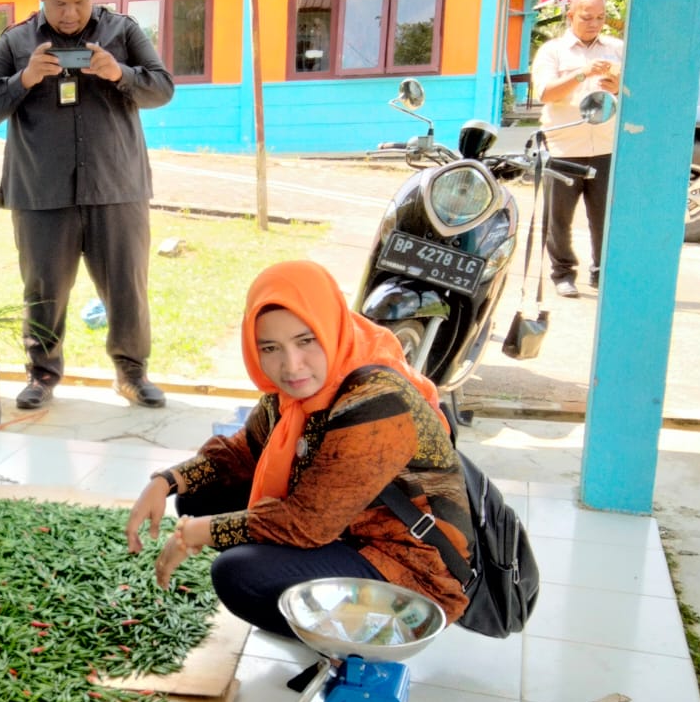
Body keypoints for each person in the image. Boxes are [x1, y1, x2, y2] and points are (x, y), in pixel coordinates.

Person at [125, 261, 472, 677]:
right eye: (269, 348)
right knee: (200, 493)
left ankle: (344, 640)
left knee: (239, 575)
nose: (291, 366)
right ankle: (315, 605)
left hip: (409, 565)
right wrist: (164, 482)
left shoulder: (376, 400)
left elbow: (307, 525)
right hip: (345, 526)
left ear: (331, 328)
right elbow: (240, 452)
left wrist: (199, 532)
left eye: (306, 340)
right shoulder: (292, 395)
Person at [0, 0, 176, 411]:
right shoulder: (15, 42)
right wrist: (22, 80)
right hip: (41, 192)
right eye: (59, 3)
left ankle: (131, 374)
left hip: (117, 185)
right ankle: (41, 375)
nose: (70, 14)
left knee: (127, 287)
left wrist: (118, 72)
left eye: (80, 2)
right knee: (43, 291)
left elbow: (162, 88)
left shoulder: (123, 32)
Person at [529, 0, 623, 297]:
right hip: (563, 148)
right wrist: (581, 74)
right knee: (559, 219)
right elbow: (544, 93)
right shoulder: (553, 51)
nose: (594, 23)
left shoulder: (617, 49)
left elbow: (637, 94)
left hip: (606, 147)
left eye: (600, 17)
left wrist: (619, 86)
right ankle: (563, 273)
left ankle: (602, 272)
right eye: (586, 17)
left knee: (605, 218)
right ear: (570, 16)